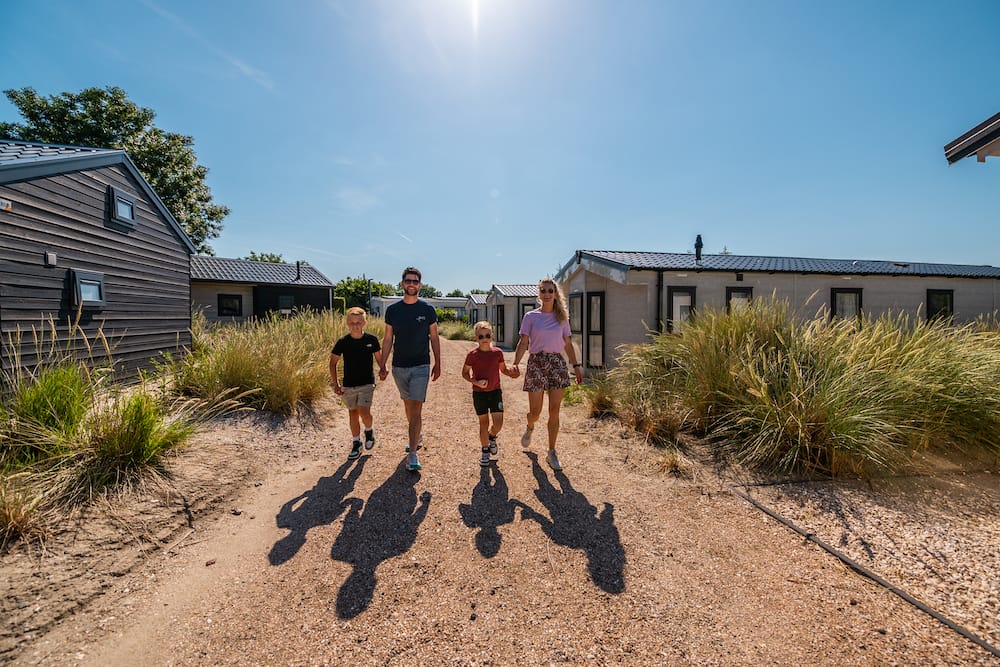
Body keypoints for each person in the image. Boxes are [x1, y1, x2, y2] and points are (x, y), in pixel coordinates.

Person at [511, 278, 583, 471]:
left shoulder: (562, 318)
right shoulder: (531, 317)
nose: (547, 294)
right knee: (535, 411)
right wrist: (515, 364)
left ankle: (552, 451)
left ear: (555, 294)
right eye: (543, 290)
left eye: (550, 291)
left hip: (557, 364)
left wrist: (575, 366)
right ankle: (530, 426)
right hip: (536, 363)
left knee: (554, 410)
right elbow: (523, 343)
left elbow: (567, 344)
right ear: (539, 294)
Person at [378, 267, 442, 472]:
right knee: (408, 407)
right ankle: (417, 434)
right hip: (399, 367)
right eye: (408, 281)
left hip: (421, 366)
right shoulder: (393, 310)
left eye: (415, 281)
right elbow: (388, 339)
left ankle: (412, 453)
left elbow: (434, 337)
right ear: (402, 284)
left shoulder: (427, 310)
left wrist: (438, 363)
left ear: (420, 285)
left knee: (416, 409)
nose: (411, 284)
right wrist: (383, 363)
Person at [462, 320, 518, 467]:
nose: (484, 339)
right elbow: (465, 373)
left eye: (487, 335)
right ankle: (485, 451)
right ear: (476, 338)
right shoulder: (472, 355)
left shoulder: (497, 353)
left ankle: (492, 437)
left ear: (492, 336)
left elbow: (503, 369)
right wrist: (476, 382)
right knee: (483, 423)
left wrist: (512, 374)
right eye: (481, 336)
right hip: (479, 394)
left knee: (498, 423)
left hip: (495, 392)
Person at [330, 307, 383, 461]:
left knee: (364, 412)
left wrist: (383, 369)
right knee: (352, 412)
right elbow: (332, 363)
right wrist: (336, 384)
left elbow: (379, 359)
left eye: (358, 322)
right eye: (352, 322)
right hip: (348, 385)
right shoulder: (343, 342)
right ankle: (356, 443)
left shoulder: (371, 340)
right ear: (347, 323)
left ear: (364, 322)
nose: (355, 325)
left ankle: (369, 431)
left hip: (367, 383)